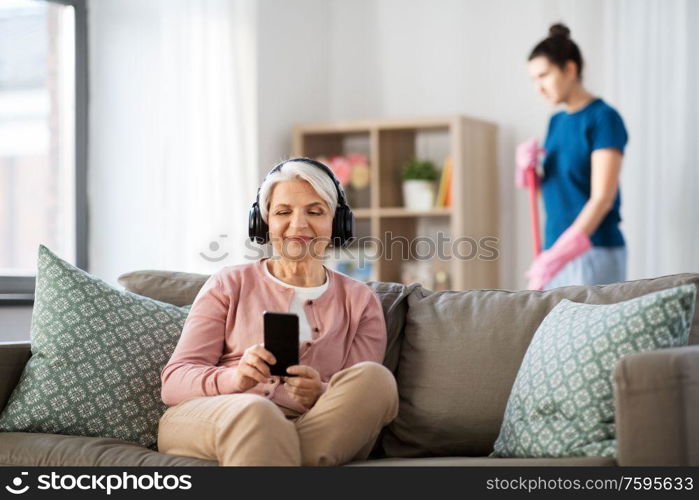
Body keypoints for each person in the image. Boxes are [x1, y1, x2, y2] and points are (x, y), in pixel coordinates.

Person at [157, 158, 399, 466]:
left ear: (337, 223)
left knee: (375, 380)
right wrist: (236, 379)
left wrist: (320, 392)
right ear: (264, 221)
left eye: (315, 211)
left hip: (311, 427)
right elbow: (175, 381)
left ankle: (278, 454)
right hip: (221, 413)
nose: (298, 225)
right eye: (284, 212)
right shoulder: (228, 283)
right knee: (257, 413)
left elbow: (353, 395)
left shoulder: (360, 300)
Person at [522, 23, 629, 290]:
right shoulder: (556, 122)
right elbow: (554, 194)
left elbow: (602, 198)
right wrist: (527, 173)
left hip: (594, 251)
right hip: (553, 251)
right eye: (533, 79)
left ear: (570, 69)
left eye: (544, 76)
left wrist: (562, 253)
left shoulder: (603, 118)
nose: (538, 88)